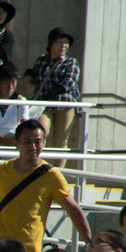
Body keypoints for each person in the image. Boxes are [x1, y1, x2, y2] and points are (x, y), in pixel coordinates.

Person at [0, 119, 91, 252]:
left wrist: (90, 243)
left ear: (44, 143)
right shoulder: (3, 169)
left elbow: (73, 210)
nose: (33, 147)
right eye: (27, 141)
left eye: (37, 142)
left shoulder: (52, 176)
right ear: (16, 143)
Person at [32, 27, 81, 167]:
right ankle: (37, 169)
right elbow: (35, 74)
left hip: (64, 104)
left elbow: (71, 80)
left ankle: (58, 174)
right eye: (60, 41)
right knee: (40, 134)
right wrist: (29, 74)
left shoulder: (71, 62)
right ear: (51, 44)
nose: (63, 45)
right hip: (43, 104)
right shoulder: (41, 60)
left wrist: (55, 91)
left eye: (66, 43)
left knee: (60, 141)